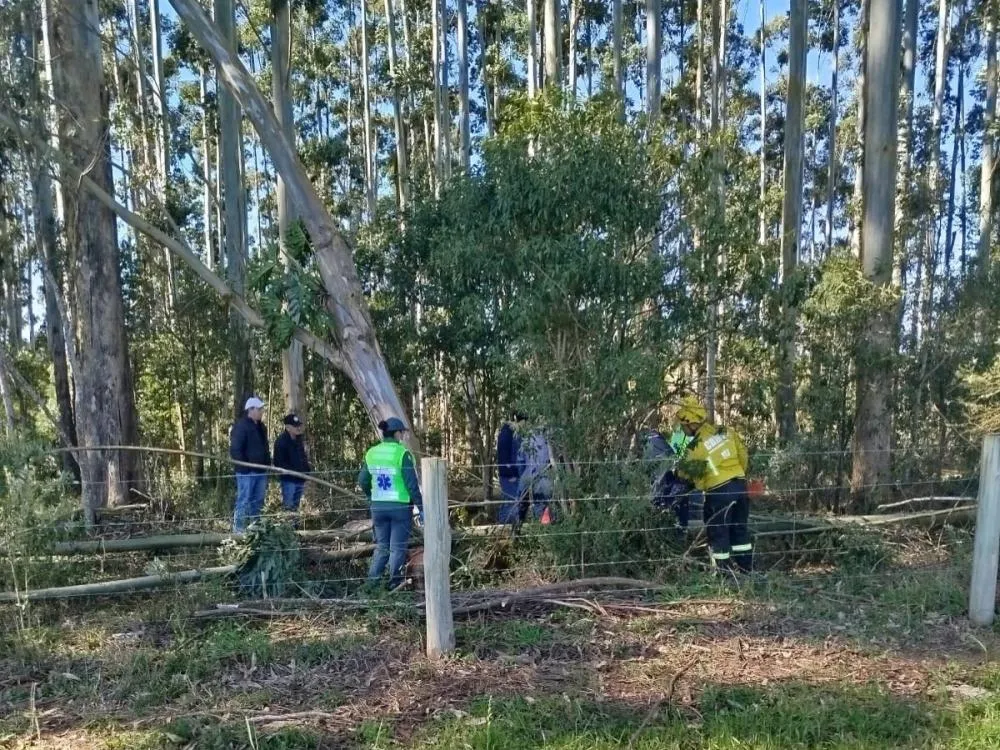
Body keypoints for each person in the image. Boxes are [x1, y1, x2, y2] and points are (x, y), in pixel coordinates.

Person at [673, 395, 753, 573]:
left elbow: (684, 474)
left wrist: (696, 483)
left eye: (682, 425)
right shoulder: (725, 432)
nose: (681, 429)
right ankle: (747, 572)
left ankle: (723, 577)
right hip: (740, 487)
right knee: (740, 531)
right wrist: (736, 474)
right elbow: (743, 454)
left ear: (690, 423)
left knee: (719, 534)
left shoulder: (695, 447)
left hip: (718, 493)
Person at [358, 417, 424, 590]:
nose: (402, 435)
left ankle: (371, 585)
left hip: (378, 508)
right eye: (402, 432)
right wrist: (422, 508)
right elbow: (411, 485)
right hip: (400, 508)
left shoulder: (372, 453)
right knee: (397, 548)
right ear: (396, 433)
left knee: (381, 548)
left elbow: (363, 480)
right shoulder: (402, 454)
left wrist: (371, 496)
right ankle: (394, 584)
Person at [230, 396, 271, 533]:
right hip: (246, 473)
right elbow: (235, 449)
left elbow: (265, 447)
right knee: (244, 500)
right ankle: (239, 530)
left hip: (261, 471)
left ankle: (255, 528)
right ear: (250, 410)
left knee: (258, 501)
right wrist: (245, 468)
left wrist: (267, 464)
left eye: (261, 409)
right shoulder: (241, 426)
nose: (261, 411)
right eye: (259, 409)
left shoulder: (261, 427)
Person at [644, 427, 694, 529]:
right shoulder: (662, 443)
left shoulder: (647, 444)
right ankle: (680, 531)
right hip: (673, 480)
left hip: (662, 483)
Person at [273, 413, 311, 521]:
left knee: (296, 507)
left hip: (300, 480)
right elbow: (279, 463)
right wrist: (293, 472)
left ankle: (294, 528)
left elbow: (303, 457)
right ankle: (287, 529)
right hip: (289, 480)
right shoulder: (281, 442)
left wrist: (307, 471)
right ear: (288, 427)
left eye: (299, 425)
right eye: (295, 426)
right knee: (288, 506)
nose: (298, 428)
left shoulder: (299, 440)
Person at [515, 426, 554, 525]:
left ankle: (517, 529)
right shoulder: (555, 434)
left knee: (520, 502)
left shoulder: (528, 436)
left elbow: (520, 461)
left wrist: (523, 476)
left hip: (530, 475)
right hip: (548, 478)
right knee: (544, 505)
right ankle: (545, 525)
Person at [496, 412, 525, 525]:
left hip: (515, 474)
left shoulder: (514, 432)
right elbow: (503, 455)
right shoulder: (507, 432)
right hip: (509, 475)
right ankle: (504, 530)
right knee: (509, 503)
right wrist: (511, 473)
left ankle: (512, 529)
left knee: (515, 503)